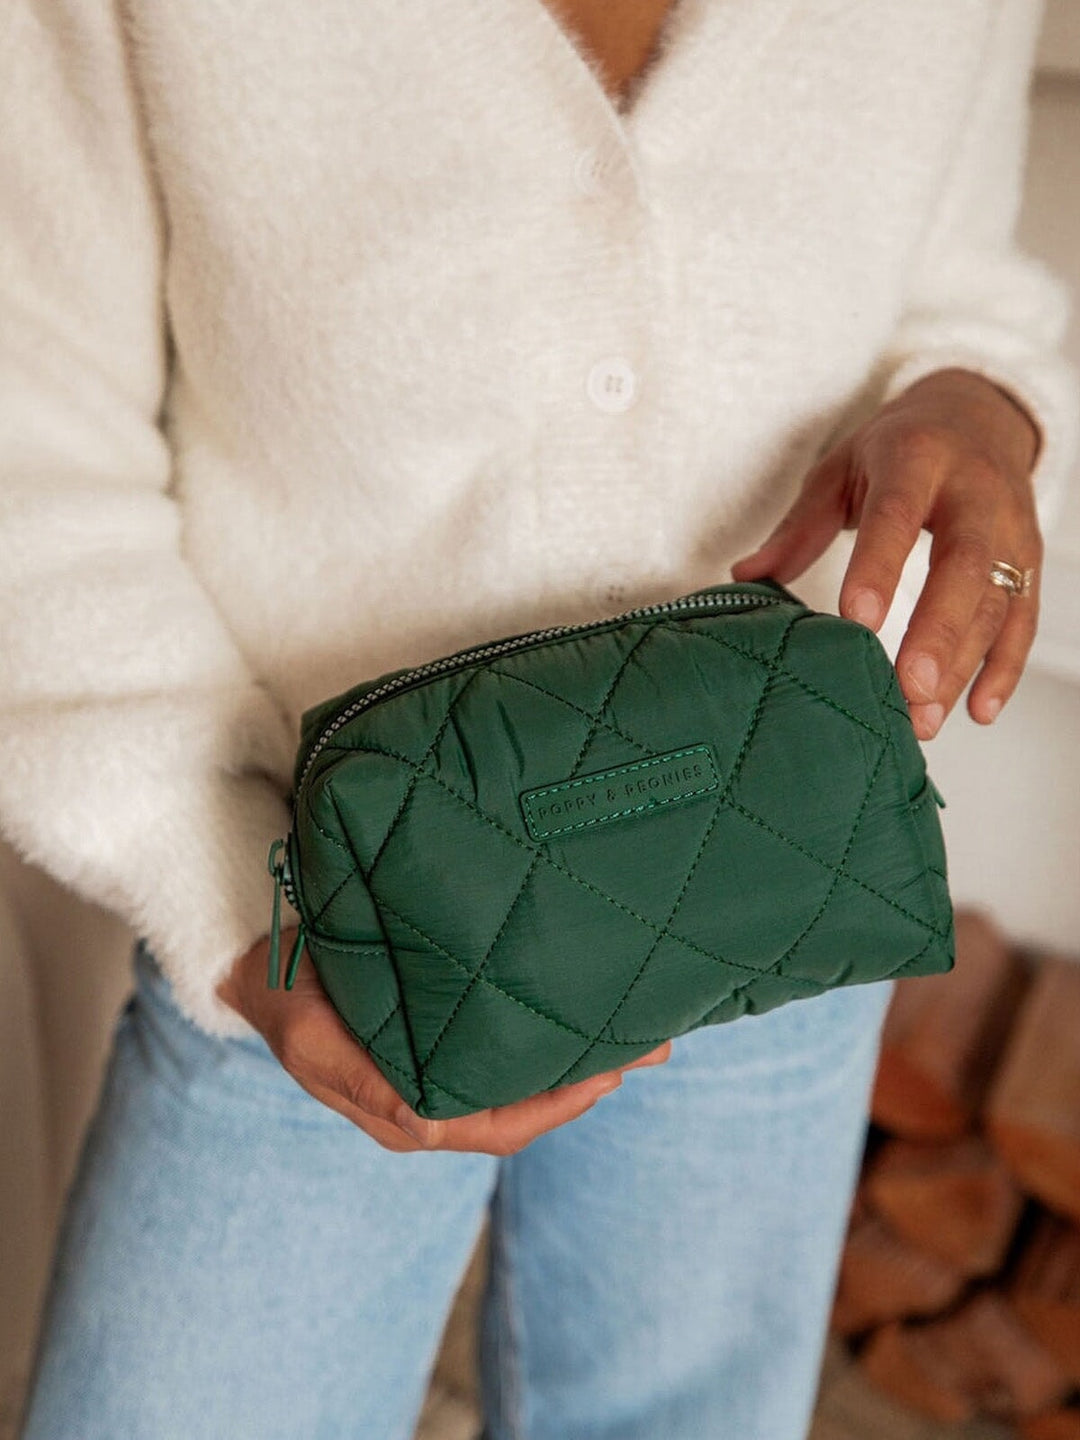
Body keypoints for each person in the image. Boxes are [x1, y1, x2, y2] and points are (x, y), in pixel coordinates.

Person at [3, 1, 1076, 1436]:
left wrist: (982, 404)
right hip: (316, 918)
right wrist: (223, 903)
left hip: (775, 886)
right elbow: (28, 424)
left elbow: (959, 283)